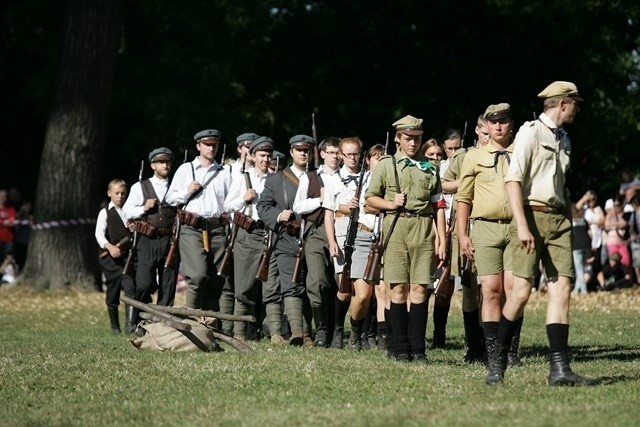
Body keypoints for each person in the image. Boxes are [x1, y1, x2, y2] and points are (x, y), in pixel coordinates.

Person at [502, 80, 592, 386]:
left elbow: (561, 187)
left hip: (558, 221)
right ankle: (498, 358)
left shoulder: (564, 138)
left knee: (561, 290)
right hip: (531, 215)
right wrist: (522, 224)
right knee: (521, 292)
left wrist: (569, 220)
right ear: (563, 103)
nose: (577, 108)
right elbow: (513, 181)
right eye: (575, 103)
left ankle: (559, 369)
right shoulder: (530, 132)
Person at [365, 115, 447, 363]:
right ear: (398, 139)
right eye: (408, 139)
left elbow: (439, 205)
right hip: (396, 227)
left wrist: (441, 239)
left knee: (420, 288)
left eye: (417, 139)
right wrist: (390, 203)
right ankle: (400, 348)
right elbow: (370, 199)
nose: (413, 143)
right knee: (398, 288)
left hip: (423, 227)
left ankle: (418, 349)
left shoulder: (430, 167)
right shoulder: (387, 165)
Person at [458, 103, 524, 383]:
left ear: (511, 123)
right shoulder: (474, 156)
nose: (498, 127)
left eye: (503, 121)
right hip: (485, 227)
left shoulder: (522, 151)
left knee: (514, 290)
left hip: (515, 228)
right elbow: (463, 198)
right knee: (491, 290)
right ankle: (493, 351)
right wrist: (462, 234)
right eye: (493, 122)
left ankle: (510, 348)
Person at [166, 130, 232, 319]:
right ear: (198, 146)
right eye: (207, 144)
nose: (211, 148)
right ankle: (193, 321)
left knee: (217, 278)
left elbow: (229, 204)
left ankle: (210, 324)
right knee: (197, 276)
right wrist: (187, 192)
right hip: (192, 228)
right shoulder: (186, 169)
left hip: (217, 228)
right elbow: (170, 198)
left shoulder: (224, 173)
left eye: (214, 144)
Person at [257, 135, 315, 346]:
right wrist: (278, 215)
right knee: (289, 286)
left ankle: (306, 332)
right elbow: (262, 207)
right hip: (286, 237)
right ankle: (290, 333)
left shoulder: (317, 177)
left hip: (312, 238)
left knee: (311, 286)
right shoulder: (276, 179)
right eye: (299, 149)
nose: (303, 153)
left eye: (307, 150)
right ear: (291, 152)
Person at [441, 114, 490, 364]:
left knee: (491, 288)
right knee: (470, 288)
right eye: (484, 131)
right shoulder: (463, 156)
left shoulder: (503, 155)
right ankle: (474, 346)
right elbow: (442, 184)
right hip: (467, 226)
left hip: (491, 226)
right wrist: (468, 180)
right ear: (477, 132)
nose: (488, 135)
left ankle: (491, 344)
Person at [223, 136, 276, 341]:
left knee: (266, 287)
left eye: (268, 155)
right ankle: (238, 334)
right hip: (247, 233)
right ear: (253, 156)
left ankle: (264, 331)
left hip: (268, 233)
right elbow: (227, 206)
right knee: (243, 286)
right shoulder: (242, 178)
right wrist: (243, 199)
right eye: (262, 155)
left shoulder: (275, 179)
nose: (266, 159)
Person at [293, 137, 342, 348]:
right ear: (322, 154)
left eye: (337, 153)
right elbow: (297, 206)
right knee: (318, 281)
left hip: (342, 228)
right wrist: (319, 200)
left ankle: (337, 330)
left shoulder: (347, 177)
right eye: (330, 152)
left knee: (339, 284)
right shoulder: (310, 177)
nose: (334, 157)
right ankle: (321, 328)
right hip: (315, 232)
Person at [123, 148, 178, 331]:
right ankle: (138, 320)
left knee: (168, 284)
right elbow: (126, 211)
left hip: (170, 240)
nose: (165, 165)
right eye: (161, 162)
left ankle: (163, 325)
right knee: (144, 283)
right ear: (153, 165)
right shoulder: (140, 187)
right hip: (147, 240)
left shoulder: (176, 186)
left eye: (168, 162)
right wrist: (144, 208)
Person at [324, 137, 366, 349]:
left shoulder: (368, 177)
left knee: (363, 292)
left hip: (363, 231)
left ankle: (357, 332)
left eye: (356, 153)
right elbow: (328, 213)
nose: (352, 158)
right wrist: (332, 241)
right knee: (344, 287)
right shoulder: (333, 179)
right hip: (341, 233)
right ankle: (339, 330)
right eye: (348, 154)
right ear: (341, 155)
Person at [95, 179, 136, 334]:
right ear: (109, 193)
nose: (120, 196)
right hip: (111, 259)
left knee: (130, 289)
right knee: (113, 291)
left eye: (123, 193)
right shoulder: (105, 212)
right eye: (117, 193)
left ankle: (130, 325)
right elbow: (99, 234)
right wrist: (109, 247)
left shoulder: (129, 211)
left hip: (128, 258)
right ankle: (114, 326)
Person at [604, 197, 631, 269]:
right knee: (613, 263)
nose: (616, 207)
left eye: (618, 205)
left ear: (622, 205)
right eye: (614, 205)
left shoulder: (625, 214)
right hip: (612, 243)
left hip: (622, 242)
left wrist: (613, 226)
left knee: (626, 262)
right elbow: (606, 226)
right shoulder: (610, 214)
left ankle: (628, 279)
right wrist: (616, 226)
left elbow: (624, 224)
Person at [571, 203, 591, 295]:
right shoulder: (583, 220)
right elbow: (590, 233)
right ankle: (576, 290)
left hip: (577, 246)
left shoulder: (571, 221)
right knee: (581, 268)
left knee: (579, 270)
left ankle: (584, 290)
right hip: (586, 245)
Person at [0, 189, 16, 263]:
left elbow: (11, 223)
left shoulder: (11, 209)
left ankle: (5, 274)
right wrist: (5, 222)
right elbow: (8, 222)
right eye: (1, 196)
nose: (2, 198)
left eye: (4, 196)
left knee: (7, 261)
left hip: (8, 240)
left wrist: (1, 222)